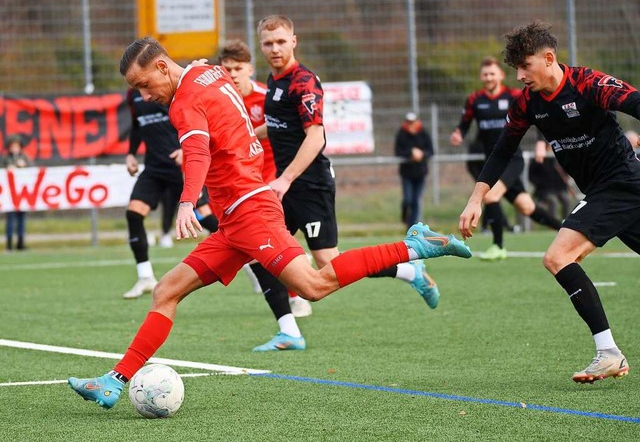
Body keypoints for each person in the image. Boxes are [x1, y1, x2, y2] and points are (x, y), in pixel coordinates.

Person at [67, 36, 472, 409]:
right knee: (166, 290)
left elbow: (197, 154)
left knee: (314, 284)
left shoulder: (184, 100)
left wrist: (187, 201)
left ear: (160, 67)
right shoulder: (206, 73)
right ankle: (114, 381)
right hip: (233, 221)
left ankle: (416, 245)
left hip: (251, 211)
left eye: (143, 84)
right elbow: (205, 74)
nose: (143, 95)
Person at [459, 20, 640, 383]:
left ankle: (608, 352)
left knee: (557, 256)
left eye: (525, 66)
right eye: (516, 69)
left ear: (548, 58)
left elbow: (635, 102)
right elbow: (502, 150)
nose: (521, 76)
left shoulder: (588, 84)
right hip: (610, 192)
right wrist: (475, 198)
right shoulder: (527, 102)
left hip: (620, 185)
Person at [255, 15, 441, 310]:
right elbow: (278, 124)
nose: (275, 48)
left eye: (280, 41)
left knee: (330, 263)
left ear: (293, 41)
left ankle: (409, 269)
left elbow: (315, 138)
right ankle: (288, 326)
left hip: (309, 184)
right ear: (261, 46)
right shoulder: (274, 80)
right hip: (286, 186)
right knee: (260, 247)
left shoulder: (304, 82)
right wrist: (248, 136)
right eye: (268, 43)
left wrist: (286, 178)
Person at [218, 38, 311, 352]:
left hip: (275, 185)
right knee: (258, 254)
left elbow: (291, 126)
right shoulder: (220, 100)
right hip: (245, 190)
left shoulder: (265, 96)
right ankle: (289, 324)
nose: (232, 74)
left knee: (322, 261)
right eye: (226, 68)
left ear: (249, 69)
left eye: (237, 68)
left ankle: (406, 266)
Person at [451, 56, 562, 261]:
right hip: (493, 162)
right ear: (481, 77)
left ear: (501, 75)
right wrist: (459, 132)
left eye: (492, 73)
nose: (489, 77)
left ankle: (498, 246)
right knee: (526, 207)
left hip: (512, 159)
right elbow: (465, 123)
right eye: (485, 74)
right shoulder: (475, 100)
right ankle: (565, 229)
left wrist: (540, 141)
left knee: (491, 196)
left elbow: (537, 116)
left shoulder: (514, 95)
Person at [121, 88, 184, 299]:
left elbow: (191, 119)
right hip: (154, 168)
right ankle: (145, 276)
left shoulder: (168, 87)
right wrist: (130, 154)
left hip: (180, 166)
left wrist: (187, 149)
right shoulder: (133, 95)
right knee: (133, 214)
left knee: (207, 218)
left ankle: (251, 263)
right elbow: (138, 124)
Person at [394, 112, 434, 229]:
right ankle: (404, 215)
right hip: (406, 173)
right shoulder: (401, 134)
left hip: (420, 172)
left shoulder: (423, 133)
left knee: (416, 200)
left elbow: (431, 151)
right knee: (408, 199)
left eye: (413, 122)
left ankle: (411, 227)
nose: (411, 125)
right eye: (409, 123)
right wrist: (411, 153)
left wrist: (422, 154)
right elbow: (398, 152)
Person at [528, 142, 571, 220]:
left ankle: (566, 222)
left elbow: (565, 172)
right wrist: (540, 184)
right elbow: (531, 175)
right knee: (553, 201)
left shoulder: (558, 158)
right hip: (544, 190)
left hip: (559, 189)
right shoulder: (538, 159)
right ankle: (553, 223)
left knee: (566, 200)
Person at [3, 135, 31, 251]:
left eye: (17, 146)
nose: (15, 148)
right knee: (10, 219)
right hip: (9, 194)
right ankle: (9, 243)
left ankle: (20, 242)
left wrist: (24, 166)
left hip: (22, 194)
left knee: (21, 219)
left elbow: (33, 170)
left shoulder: (24, 157)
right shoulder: (5, 159)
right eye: (12, 146)